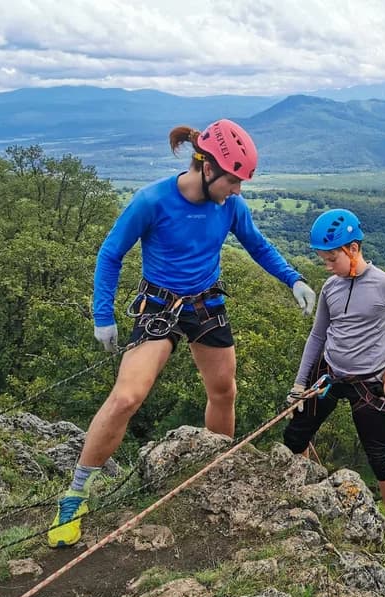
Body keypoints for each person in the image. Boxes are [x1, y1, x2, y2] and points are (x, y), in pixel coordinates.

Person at [48, 119, 316, 547]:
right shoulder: (152, 201)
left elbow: (258, 246)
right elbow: (110, 253)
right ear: (207, 167)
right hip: (160, 305)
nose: (238, 190)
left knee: (224, 391)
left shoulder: (230, 207)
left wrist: (293, 280)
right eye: (233, 180)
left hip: (206, 304)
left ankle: (217, 467)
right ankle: (75, 495)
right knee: (127, 397)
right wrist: (104, 316)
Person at [284, 208, 385, 543]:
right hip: (329, 375)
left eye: (332, 260)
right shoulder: (331, 287)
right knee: (294, 437)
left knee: (380, 456)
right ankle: (306, 496)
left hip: (369, 383)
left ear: (353, 249)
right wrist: (300, 384)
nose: (328, 267)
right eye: (325, 261)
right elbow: (317, 336)